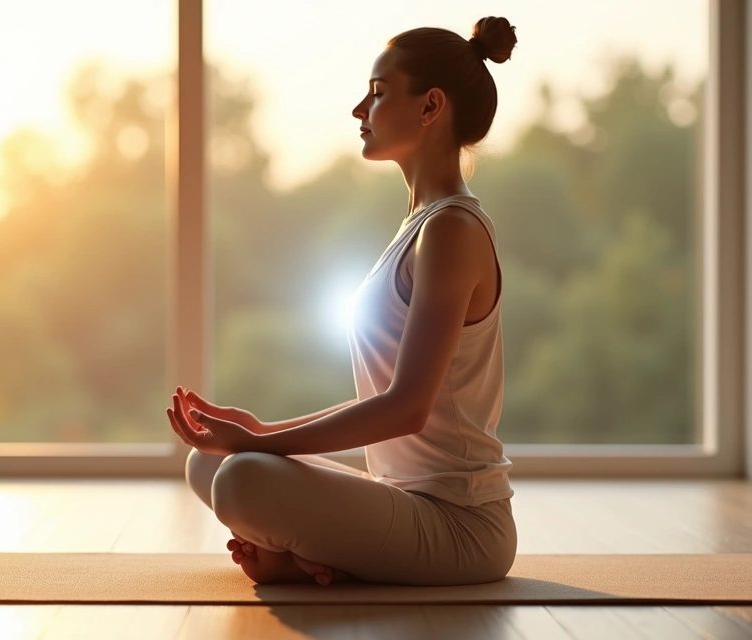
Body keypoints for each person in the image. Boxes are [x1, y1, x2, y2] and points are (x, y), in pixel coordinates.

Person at [167, 16, 519, 588]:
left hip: (462, 527)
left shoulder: (452, 229)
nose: (360, 109)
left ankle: (310, 554)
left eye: (378, 94)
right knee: (210, 462)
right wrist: (261, 429)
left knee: (241, 479)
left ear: (431, 107)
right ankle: (312, 554)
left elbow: (405, 407)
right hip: (401, 503)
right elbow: (384, 399)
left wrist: (262, 443)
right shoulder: (420, 225)